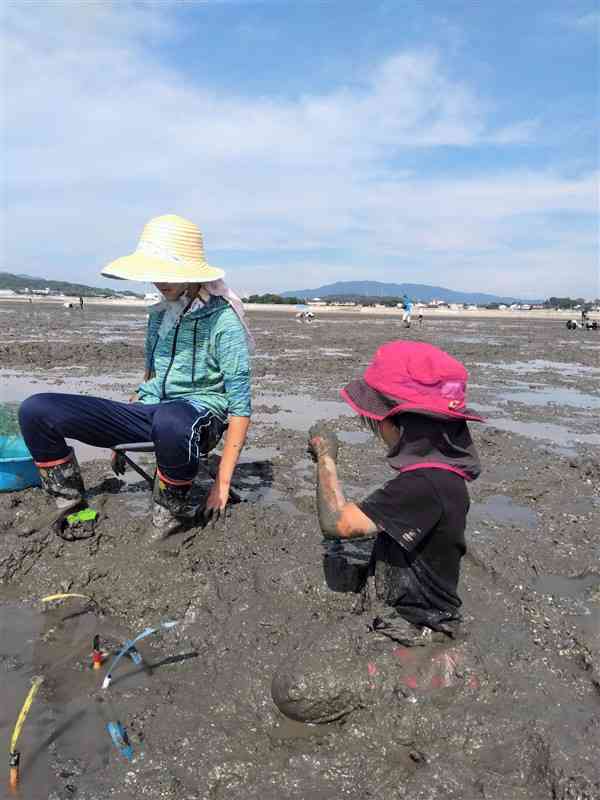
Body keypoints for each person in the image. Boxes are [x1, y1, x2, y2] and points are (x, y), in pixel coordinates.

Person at [19, 214, 253, 538]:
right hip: (153, 411)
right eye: (154, 273)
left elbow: (240, 406)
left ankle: (169, 519)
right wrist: (123, 427)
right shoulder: (158, 314)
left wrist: (221, 485)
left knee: (172, 419)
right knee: (36, 410)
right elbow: (150, 377)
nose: (160, 281)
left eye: (168, 273)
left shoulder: (223, 321)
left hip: (199, 418)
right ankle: (71, 506)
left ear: (191, 271)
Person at [308, 341, 482, 643]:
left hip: (418, 627)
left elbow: (337, 522)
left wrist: (326, 457)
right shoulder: (440, 476)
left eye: (378, 422)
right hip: (411, 615)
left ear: (402, 424)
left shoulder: (426, 484)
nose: (377, 429)